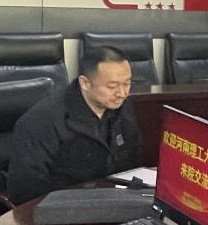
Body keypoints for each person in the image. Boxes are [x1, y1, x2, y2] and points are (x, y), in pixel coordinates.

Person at [8, 45, 142, 204]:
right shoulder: (42, 121)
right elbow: (26, 191)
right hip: (62, 207)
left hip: (113, 200)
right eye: (112, 86)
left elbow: (134, 159)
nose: (122, 93)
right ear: (85, 83)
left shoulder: (121, 107)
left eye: (127, 83)